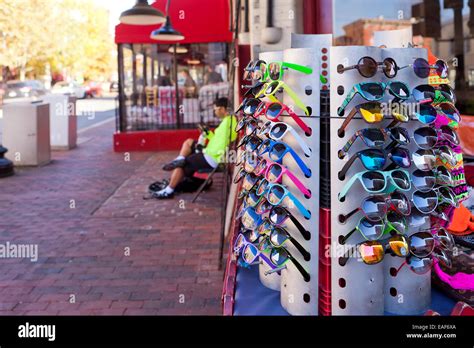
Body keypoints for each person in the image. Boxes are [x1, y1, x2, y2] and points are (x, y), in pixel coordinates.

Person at [155, 97, 237, 199]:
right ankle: (179, 160)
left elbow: (220, 146)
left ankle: (169, 190)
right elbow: (218, 140)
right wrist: (207, 133)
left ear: (222, 109)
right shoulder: (228, 121)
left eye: (215, 109)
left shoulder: (229, 124)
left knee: (183, 164)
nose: (214, 112)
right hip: (210, 153)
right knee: (189, 142)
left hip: (212, 157)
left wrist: (202, 150)